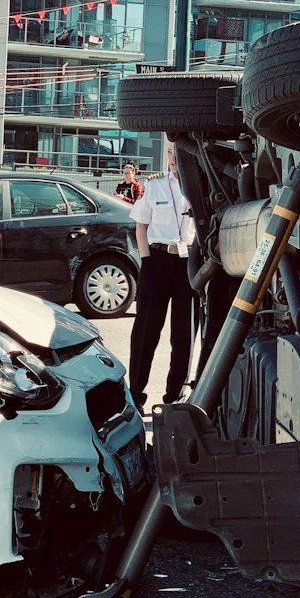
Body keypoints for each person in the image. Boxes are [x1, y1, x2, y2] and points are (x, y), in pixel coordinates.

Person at [127, 143, 193, 413]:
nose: (174, 158)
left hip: (187, 263)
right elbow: (140, 226)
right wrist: (145, 261)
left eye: (178, 152)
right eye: (169, 152)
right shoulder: (154, 185)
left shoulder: (197, 186)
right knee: (146, 331)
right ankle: (135, 394)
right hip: (156, 260)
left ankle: (173, 397)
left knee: (183, 333)